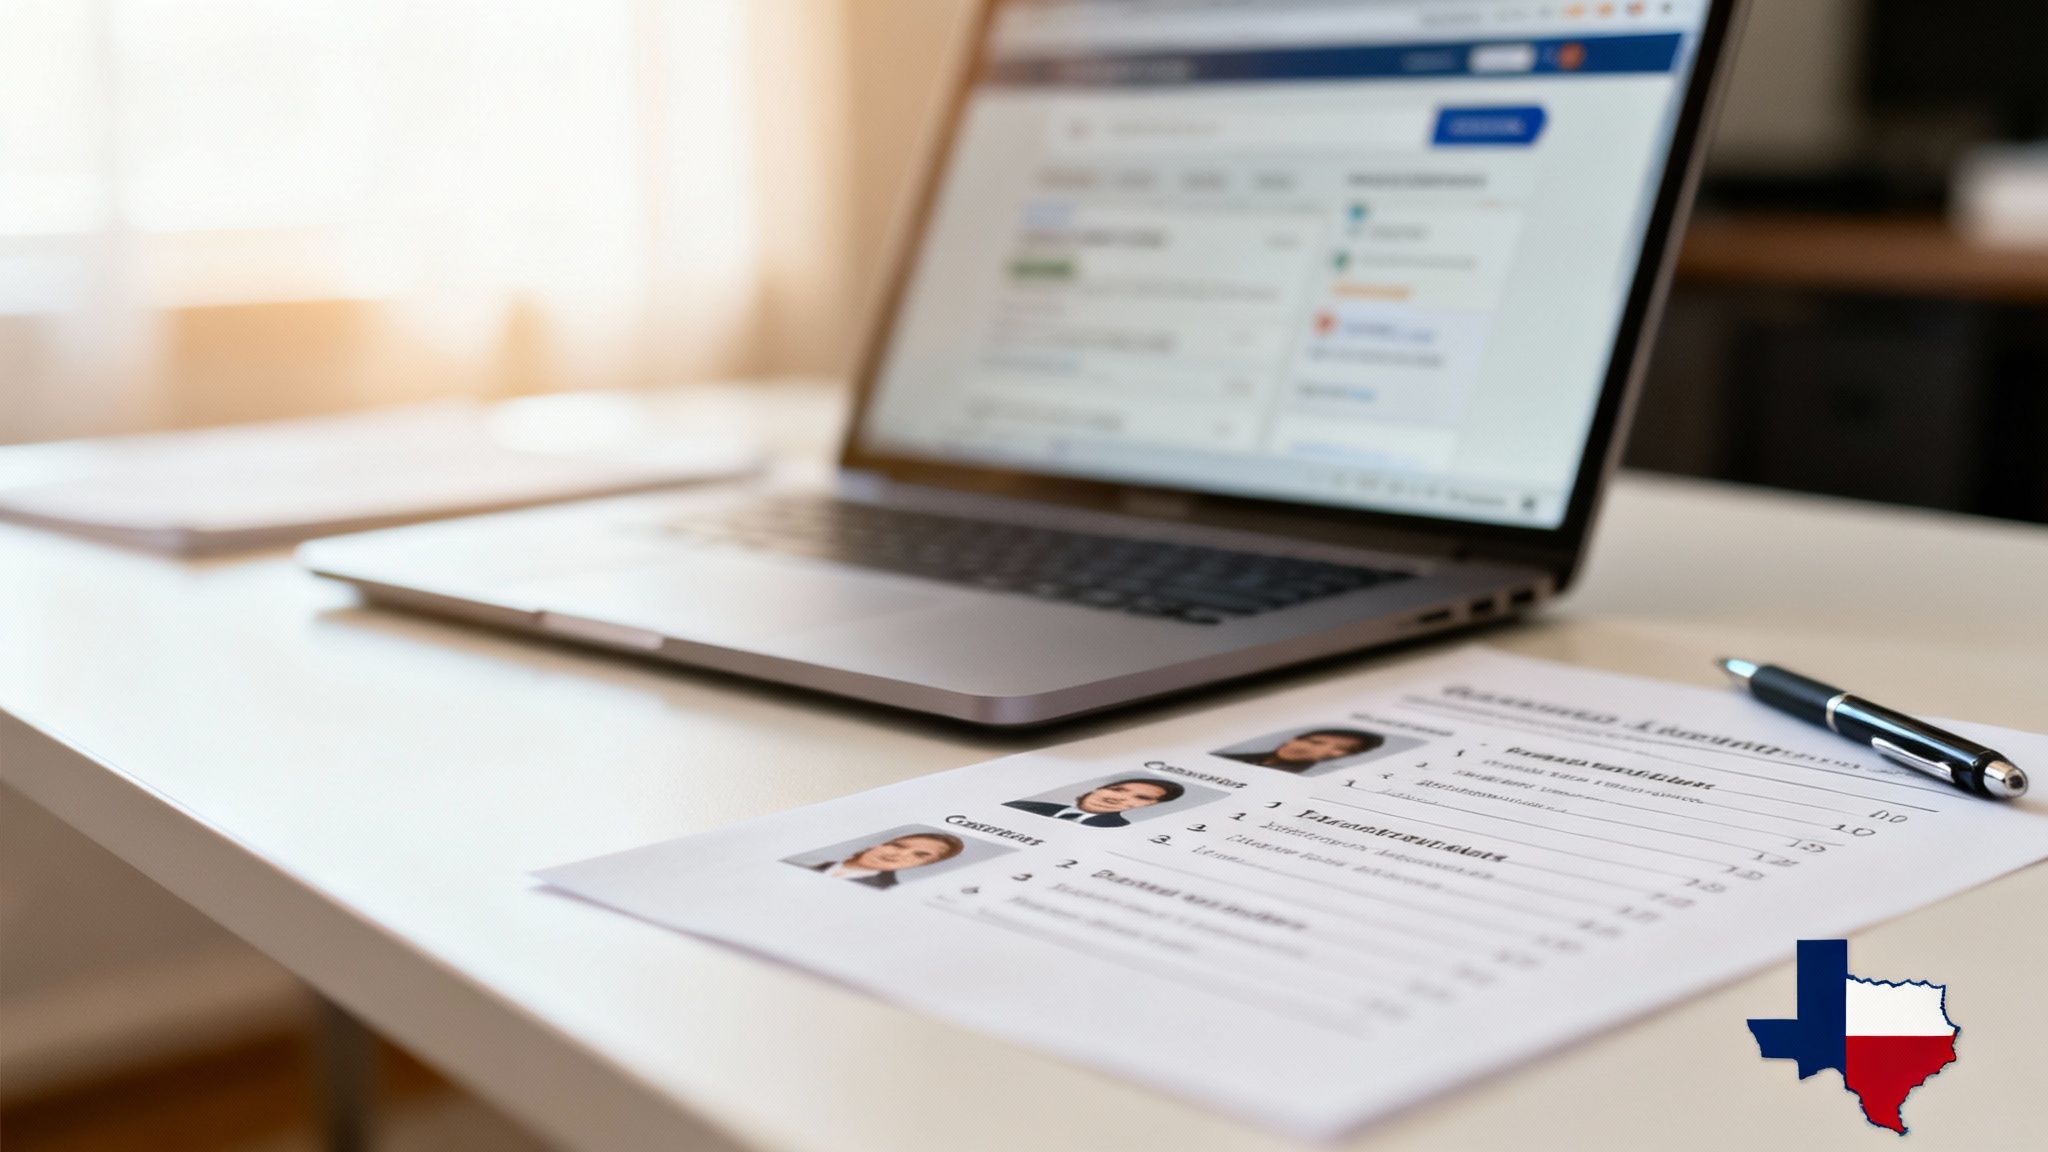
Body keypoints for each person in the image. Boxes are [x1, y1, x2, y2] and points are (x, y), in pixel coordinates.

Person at [802, 832, 964, 889]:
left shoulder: (885, 888)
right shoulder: (810, 864)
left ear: (925, 864)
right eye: (898, 845)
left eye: (920, 855)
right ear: (879, 845)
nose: (899, 855)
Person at [1004, 778, 1184, 828]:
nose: (1115, 798)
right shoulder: (1025, 806)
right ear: (1096, 790)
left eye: (1141, 798)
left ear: (1151, 806)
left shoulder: (1115, 828)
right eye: (1116, 789)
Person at [1217, 727, 1382, 773]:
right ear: (1292, 740)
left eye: (1340, 750)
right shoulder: (1228, 758)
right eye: (1314, 742)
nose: (1305, 748)